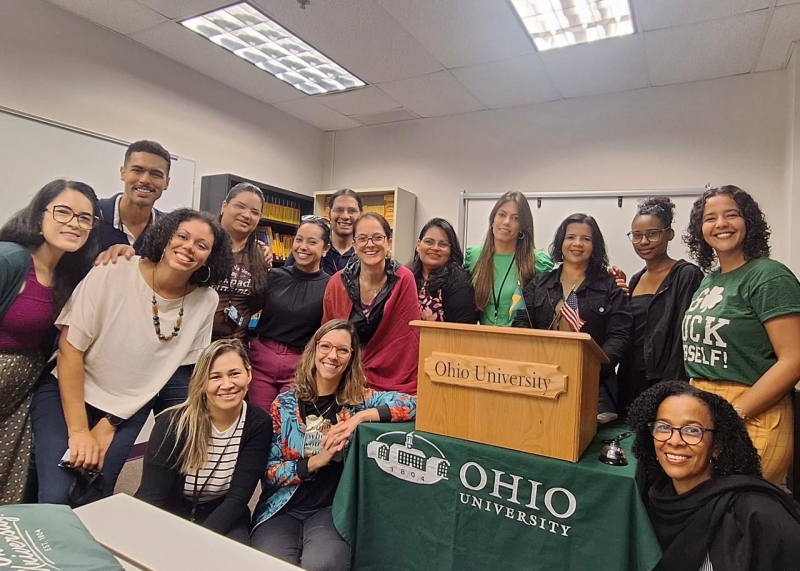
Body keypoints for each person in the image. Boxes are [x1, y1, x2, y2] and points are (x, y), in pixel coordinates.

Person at [31, 209, 234, 504]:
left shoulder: (205, 301)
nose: (189, 247)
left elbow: (172, 373)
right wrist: (79, 431)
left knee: (93, 497)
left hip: (126, 409)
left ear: (210, 258)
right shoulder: (113, 271)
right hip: (69, 389)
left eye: (201, 245)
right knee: (56, 496)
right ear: (166, 238)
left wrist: (111, 422)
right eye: (182, 236)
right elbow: (70, 349)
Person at [250, 319, 416, 570]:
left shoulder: (359, 400)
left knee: (323, 564)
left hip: (331, 509)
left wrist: (361, 417)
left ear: (351, 357)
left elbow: (415, 404)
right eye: (325, 346)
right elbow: (269, 472)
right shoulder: (284, 404)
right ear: (314, 349)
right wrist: (315, 462)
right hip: (282, 507)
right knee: (270, 564)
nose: (332, 356)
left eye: (342, 350)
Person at [682, 185, 800, 485]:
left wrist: (733, 415)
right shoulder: (710, 280)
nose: (721, 224)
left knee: (737, 507)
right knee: (704, 506)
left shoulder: (769, 276)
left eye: (731, 215)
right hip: (705, 410)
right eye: (710, 218)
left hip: (754, 413)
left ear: (749, 221)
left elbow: (793, 360)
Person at [627, 381, 800, 571]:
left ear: (717, 446)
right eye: (663, 427)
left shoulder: (755, 512)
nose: (674, 441)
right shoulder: (651, 501)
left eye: (692, 430)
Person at [0, 180, 100, 504]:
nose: (74, 223)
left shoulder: (70, 274)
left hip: (19, 394)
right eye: (63, 212)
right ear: (39, 215)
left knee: (9, 479)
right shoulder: (9, 259)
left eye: (84, 218)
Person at [135, 339, 271, 541]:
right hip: (169, 510)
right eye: (215, 377)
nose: (227, 385)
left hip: (224, 513)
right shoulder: (172, 423)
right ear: (201, 382)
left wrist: (198, 540)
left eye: (234, 374)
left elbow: (237, 499)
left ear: (249, 374)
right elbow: (153, 497)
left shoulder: (258, 423)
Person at [513, 213, 632, 423]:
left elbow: (619, 335)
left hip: (596, 386)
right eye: (570, 237)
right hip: (542, 379)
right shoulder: (539, 284)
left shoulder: (610, 286)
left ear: (594, 246)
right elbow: (521, 322)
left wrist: (592, 369)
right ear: (561, 242)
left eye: (586, 239)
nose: (577, 243)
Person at [616, 198, 703, 413]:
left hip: (666, 382)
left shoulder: (686, 274)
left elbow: (682, 337)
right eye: (637, 235)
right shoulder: (636, 279)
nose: (644, 241)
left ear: (669, 234)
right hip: (631, 381)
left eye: (652, 234)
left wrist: (672, 389)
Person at [322, 213, 421, 394]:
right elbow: (329, 335)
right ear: (354, 245)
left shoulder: (403, 279)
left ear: (388, 242)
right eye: (362, 238)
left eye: (377, 237)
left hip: (394, 377)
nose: (370, 244)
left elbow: (408, 339)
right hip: (344, 374)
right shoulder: (337, 282)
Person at [250, 217, 332, 411]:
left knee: (289, 421)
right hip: (262, 361)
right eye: (299, 240)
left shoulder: (331, 286)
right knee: (260, 419)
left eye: (312, 242)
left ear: (325, 249)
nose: (303, 247)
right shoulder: (273, 276)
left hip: (300, 364)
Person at [465, 191, 554, 327]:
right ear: (492, 220)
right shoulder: (474, 256)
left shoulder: (537, 262)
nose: (506, 222)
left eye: (515, 218)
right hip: (483, 337)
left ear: (522, 227)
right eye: (502, 215)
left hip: (521, 337)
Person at [212, 183, 269, 340]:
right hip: (196, 341)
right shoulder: (203, 244)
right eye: (240, 206)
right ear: (224, 206)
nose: (246, 215)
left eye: (254, 212)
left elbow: (257, 302)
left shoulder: (260, 255)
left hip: (235, 344)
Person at [96, 139, 171, 253]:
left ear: (166, 183)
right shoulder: (94, 214)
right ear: (123, 173)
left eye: (156, 174)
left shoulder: (169, 229)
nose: (145, 180)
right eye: (137, 170)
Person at [408, 218, 476, 323]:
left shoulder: (459, 282)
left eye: (443, 244)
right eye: (429, 242)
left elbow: (462, 329)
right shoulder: (406, 276)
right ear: (418, 245)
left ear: (451, 250)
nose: (435, 248)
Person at [286, 188, 362, 275]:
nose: (345, 216)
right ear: (329, 213)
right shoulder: (309, 248)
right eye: (339, 210)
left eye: (352, 211)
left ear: (360, 215)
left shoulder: (364, 252)